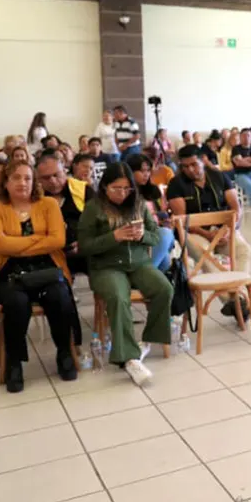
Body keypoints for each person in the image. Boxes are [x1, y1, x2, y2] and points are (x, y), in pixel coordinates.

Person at [0, 161, 80, 392]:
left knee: (59, 295)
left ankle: (64, 353)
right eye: (16, 178)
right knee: (16, 301)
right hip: (9, 272)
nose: (22, 183)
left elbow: (58, 240)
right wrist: (39, 240)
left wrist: (17, 245)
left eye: (27, 178)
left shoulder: (48, 204)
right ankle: (14, 363)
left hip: (48, 269)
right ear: (5, 183)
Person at [78, 162, 173, 385]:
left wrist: (142, 236)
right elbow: (85, 246)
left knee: (164, 288)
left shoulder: (138, 204)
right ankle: (129, 358)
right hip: (107, 267)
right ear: (105, 187)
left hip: (139, 263)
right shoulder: (93, 208)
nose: (122, 194)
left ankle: (147, 341)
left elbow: (155, 236)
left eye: (127, 188)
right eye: (116, 188)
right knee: (119, 297)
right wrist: (114, 237)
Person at [167, 145, 251, 319]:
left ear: (203, 161)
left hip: (223, 229)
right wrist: (208, 234)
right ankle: (232, 300)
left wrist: (228, 229)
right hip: (195, 231)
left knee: (243, 249)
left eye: (194, 164)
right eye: (185, 166)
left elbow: (236, 207)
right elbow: (182, 220)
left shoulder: (219, 176)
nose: (190, 170)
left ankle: (237, 295)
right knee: (204, 254)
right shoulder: (176, 184)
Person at [36, 150, 94, 277]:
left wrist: (85, 242)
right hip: (51, 254)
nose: (52, 181)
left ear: (65, 171)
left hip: (86, 249)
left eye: (56, 175)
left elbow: (100, 221)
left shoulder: (83, 190)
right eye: (46, 178)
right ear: (38, 179)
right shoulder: (34, 198)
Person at [126, 154, 175, 270]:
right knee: (165, 239)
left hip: (156, 232)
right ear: (130, 171)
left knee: (166, 251)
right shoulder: (125, 193)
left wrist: (165, 220)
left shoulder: (153, 190)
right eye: (142, 171)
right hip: (138, 237)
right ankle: (145, 274)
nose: (146, 174)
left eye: (148, 170)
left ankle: (147, 274)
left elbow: (162, 212)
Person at [230, 128, 251, 210]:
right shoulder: (236, 148)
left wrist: (245, 159)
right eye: (244, 136)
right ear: (240, 137)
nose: (246, 137)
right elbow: (239, 163)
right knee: (249, 185)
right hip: (241, 174)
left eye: (248, 135)